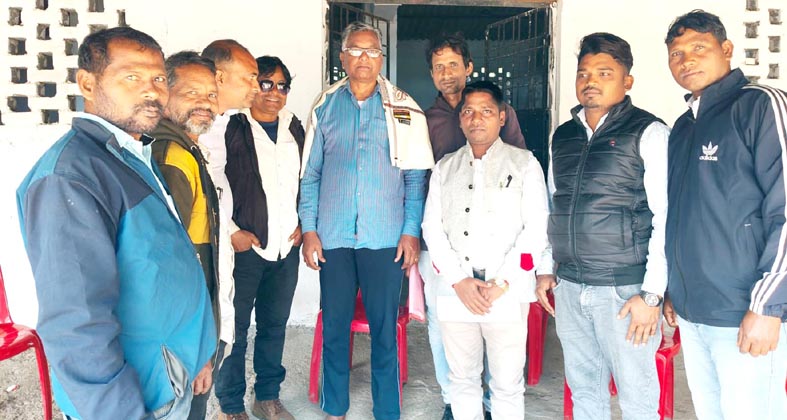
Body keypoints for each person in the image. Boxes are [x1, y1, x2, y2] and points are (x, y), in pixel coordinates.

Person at [16, 27, 216, 420]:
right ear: (87, 84)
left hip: (172, 371)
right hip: (139, 399)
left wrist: (198, 353)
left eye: (158, 79)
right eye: (132, 77)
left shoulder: (130, 152)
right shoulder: (69, 179)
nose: (151, 91)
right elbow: (77, 325)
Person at [299, 21, 433, 420]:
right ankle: (335, 407)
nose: (364, 58)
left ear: (381, 58)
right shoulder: (325, 106)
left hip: (385, 238)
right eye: (356, 50)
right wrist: (310, 230)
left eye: (372, 51)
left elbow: (415, 178)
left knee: (384, 331)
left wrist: (410, 232)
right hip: (334, 237)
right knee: (335, 327)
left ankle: (386, 410)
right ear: (342, 57)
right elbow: (311, 174)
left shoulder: (403, 108)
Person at [535, 32, 669, 420]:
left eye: (604, 72)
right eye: (584, 73)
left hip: (625, 289)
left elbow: (666, 215)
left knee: (637, 398)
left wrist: (652, 295)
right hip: (571, 285)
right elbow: (555, 205)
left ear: (627, 81)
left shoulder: (648, 132)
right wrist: (546, 268)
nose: (590, 81)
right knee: (584, 392)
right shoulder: (563, 136)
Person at [663, 10, 787, 419]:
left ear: (727, 49)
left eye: (699, 47)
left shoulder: (760, 106)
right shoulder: (683, 128)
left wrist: (768, 306)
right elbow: (681, 216)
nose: (687, 60)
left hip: (745, 310)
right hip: (693, 311)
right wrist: (673, 289)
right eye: (676, 53)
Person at [422, 81, 549, 420]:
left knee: (507, 384)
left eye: (486, 111)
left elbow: (536, 229)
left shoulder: (524, 164)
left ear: (502, 117)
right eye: (469, 111)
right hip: (456, 290)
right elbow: (432, 228)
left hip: (506, 291)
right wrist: (458, 281)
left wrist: (503, 282)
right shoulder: (445, 167)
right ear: (460, 119)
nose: (476, 119)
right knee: (462, 379)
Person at [215, 55, 304, 420]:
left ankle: (267, 396)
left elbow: (307, 177)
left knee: (274, 326)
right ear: (253, 86)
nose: (274, 93)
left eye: (282, 86)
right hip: (245, 248)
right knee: (234, 330)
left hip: (286, 247)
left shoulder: (293, 126)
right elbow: (213, 183)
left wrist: (305, 222)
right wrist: (231, 232)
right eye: (266, 83)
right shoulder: (231, 126)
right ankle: (231, 406)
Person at [150, 50, 236, 420]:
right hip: (185, 340)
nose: (205, 103)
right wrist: (197, 353)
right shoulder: (172, 159)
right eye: (192, 93)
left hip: (195, 327)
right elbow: (172, 269)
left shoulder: (187, 149)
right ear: (164, 94)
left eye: (211, 94)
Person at [198, 39, 259, 420]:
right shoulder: (194, 129)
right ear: (219, 77)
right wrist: (232, 228)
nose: (256, 86)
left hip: (221, 252)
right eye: (249, 77)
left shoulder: (223, 123)